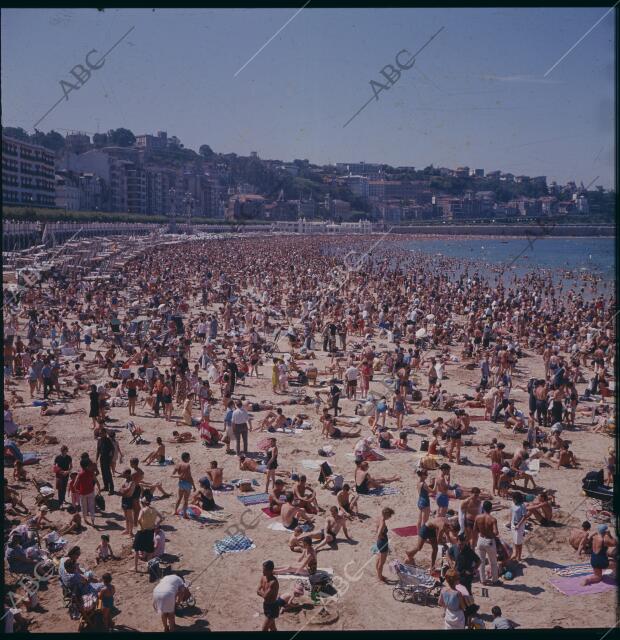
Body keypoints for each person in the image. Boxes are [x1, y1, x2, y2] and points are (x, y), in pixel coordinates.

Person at [473, 500, 500, 585]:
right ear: (491, 509)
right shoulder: (492, 519)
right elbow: (496, 532)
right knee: (493, 562)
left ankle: (483, 580)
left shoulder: (478, 517)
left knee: (481, 561)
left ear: (483, 508)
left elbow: (475, 530)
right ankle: (495, 580)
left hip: (480, 540)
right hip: (489, 541)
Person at [134, 496, 163, 572]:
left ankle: (136, 568)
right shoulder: (154, 510)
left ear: (142, 503)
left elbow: (139, 519)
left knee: (136, 550)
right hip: (150, 531)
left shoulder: (143, 510)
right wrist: (156, 524)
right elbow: (162, 518)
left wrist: (142, 527)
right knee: (149, 551)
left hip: (142, 531)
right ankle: (148, 568)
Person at [74, 457, 102, 527]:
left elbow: (74, 485)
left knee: (83, 507)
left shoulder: (79, 474)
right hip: (90, 492)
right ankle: (93, 521)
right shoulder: (91, 473)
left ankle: (85, 520)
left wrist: (77, 491)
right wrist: (99, 490)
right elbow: (97, 482)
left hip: (82, 493)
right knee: (91, 506)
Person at [258, 560, 284, 632]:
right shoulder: (263, 577)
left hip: (273, 608)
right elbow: (258, 591)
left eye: (264, 570)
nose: (263, 571)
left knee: (264, 629)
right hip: (266, 605)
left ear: (270, 571)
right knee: (273, 628)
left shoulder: (273, 582)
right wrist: (262, 594)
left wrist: (261, 593)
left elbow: (264, 595)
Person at [172, 452, 196, 518]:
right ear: (186, 458)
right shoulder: (187, 465)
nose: (190, 458)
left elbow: (172, 475)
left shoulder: (178, 464)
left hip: (181, 483)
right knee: (185, 500)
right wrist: (194, 485)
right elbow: (190, 477)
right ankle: (185, 514)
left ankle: (175, 511)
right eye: (189, 457)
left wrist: (179, 476)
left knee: (179, 498)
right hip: (187, 483)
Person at [375, 507, 394, 582]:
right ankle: (380, 577)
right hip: (382, 542)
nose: (390, 517)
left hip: (379, 542)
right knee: (382, 562)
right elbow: (378, 534)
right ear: (386, 515)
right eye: (389, 515)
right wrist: (382, 537)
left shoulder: (379, 518)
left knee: (379, 558)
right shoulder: (383, 522)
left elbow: (376, 530)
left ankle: (378, 573)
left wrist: (380, 536)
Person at [510, 492, 528, 562]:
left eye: (513, 498)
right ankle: (515, 554)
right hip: (513, 524)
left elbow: (524, 516)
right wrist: (510, 522)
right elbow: (511, 512)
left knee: (519, 542)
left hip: (519, 525)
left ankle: (519, 556)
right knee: (515, 540)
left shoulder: (522, 505)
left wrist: (519, 525)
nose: (513, 500)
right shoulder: (513, 504)